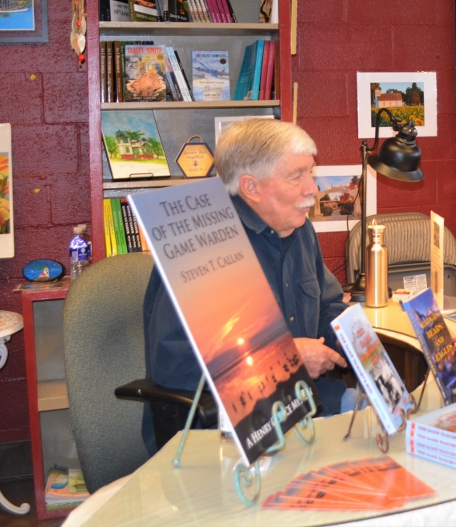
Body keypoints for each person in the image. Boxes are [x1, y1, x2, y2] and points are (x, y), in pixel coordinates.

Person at [142, 119, 352, 453]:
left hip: (304, 410)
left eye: (310, 172)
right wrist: (289, 360)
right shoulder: (201, 246)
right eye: (296, 176)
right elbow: (177, 365)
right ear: (251, 187)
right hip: (224, 436)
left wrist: (359, 340)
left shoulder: (297, 229)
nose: (312, 189)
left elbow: (329, 306)